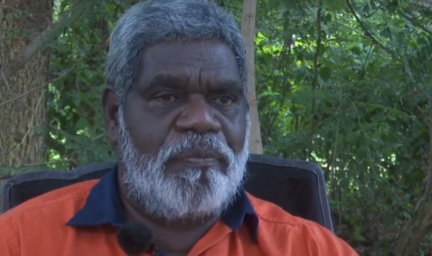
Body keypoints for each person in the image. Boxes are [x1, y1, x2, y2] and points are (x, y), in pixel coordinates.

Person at [0, 0, 359, 255]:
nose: (201, 120)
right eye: (167, 97)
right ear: (114, 116)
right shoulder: (17, 241)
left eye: (223, 100)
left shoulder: (311, 248)